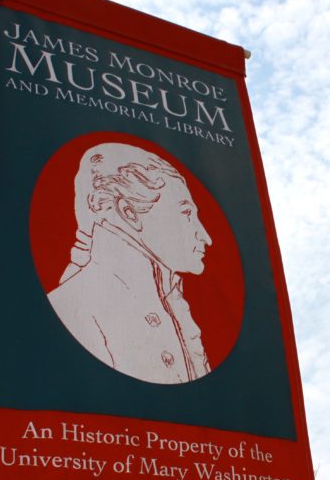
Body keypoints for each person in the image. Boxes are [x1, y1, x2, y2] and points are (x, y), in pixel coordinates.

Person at [47, 142, 213, 384]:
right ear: (129, 213)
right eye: (186, 213)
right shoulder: (70, 308)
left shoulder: (173, 303)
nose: (205, 237)